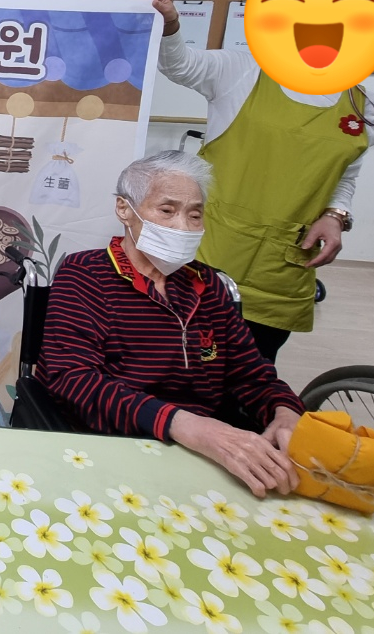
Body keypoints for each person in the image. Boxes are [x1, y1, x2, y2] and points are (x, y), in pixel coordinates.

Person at [35, 151, 306, 499]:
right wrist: (186, 425)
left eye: (194, 215)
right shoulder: (85, 274)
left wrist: (285, 412)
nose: (183, 226)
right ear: (124, 209)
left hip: (203, 449)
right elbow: (73, 378)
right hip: (112, 443)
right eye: (167, 210)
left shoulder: (208, 285)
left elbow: (251, 375)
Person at [148, 0, 374, 361]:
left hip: (285, 261)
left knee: (256, 366)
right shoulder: (244, 70)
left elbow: (347, 173)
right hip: (211, 246)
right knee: (178, 360)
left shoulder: (365, 106)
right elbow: (181, 65)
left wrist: (335, 215)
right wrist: (171, 25)